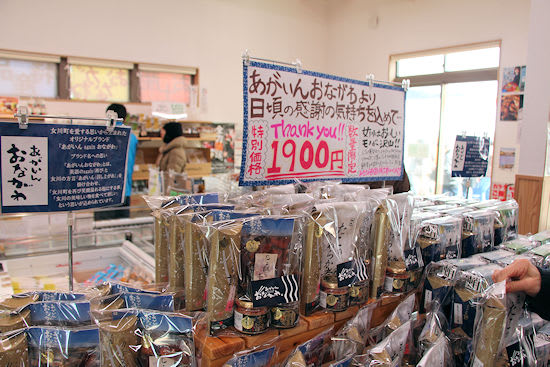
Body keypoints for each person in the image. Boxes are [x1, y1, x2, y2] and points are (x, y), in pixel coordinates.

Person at [94, 103, 137, 220]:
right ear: (124, 117)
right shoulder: (131, 137)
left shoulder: (100, 136)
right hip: (125, 191)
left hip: (103, 192)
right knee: (122, 229)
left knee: (104, 229)